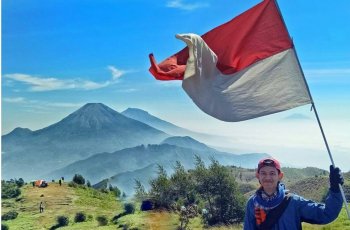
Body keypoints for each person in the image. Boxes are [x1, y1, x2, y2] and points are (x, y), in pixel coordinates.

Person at [244, 157, 344, 229]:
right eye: (263, 173)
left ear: (280, 176)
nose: (268, 177)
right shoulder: (252, 204)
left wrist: (335, 190)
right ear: (258, 175)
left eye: (272, 173)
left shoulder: (294, 202)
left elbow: (326, 214)